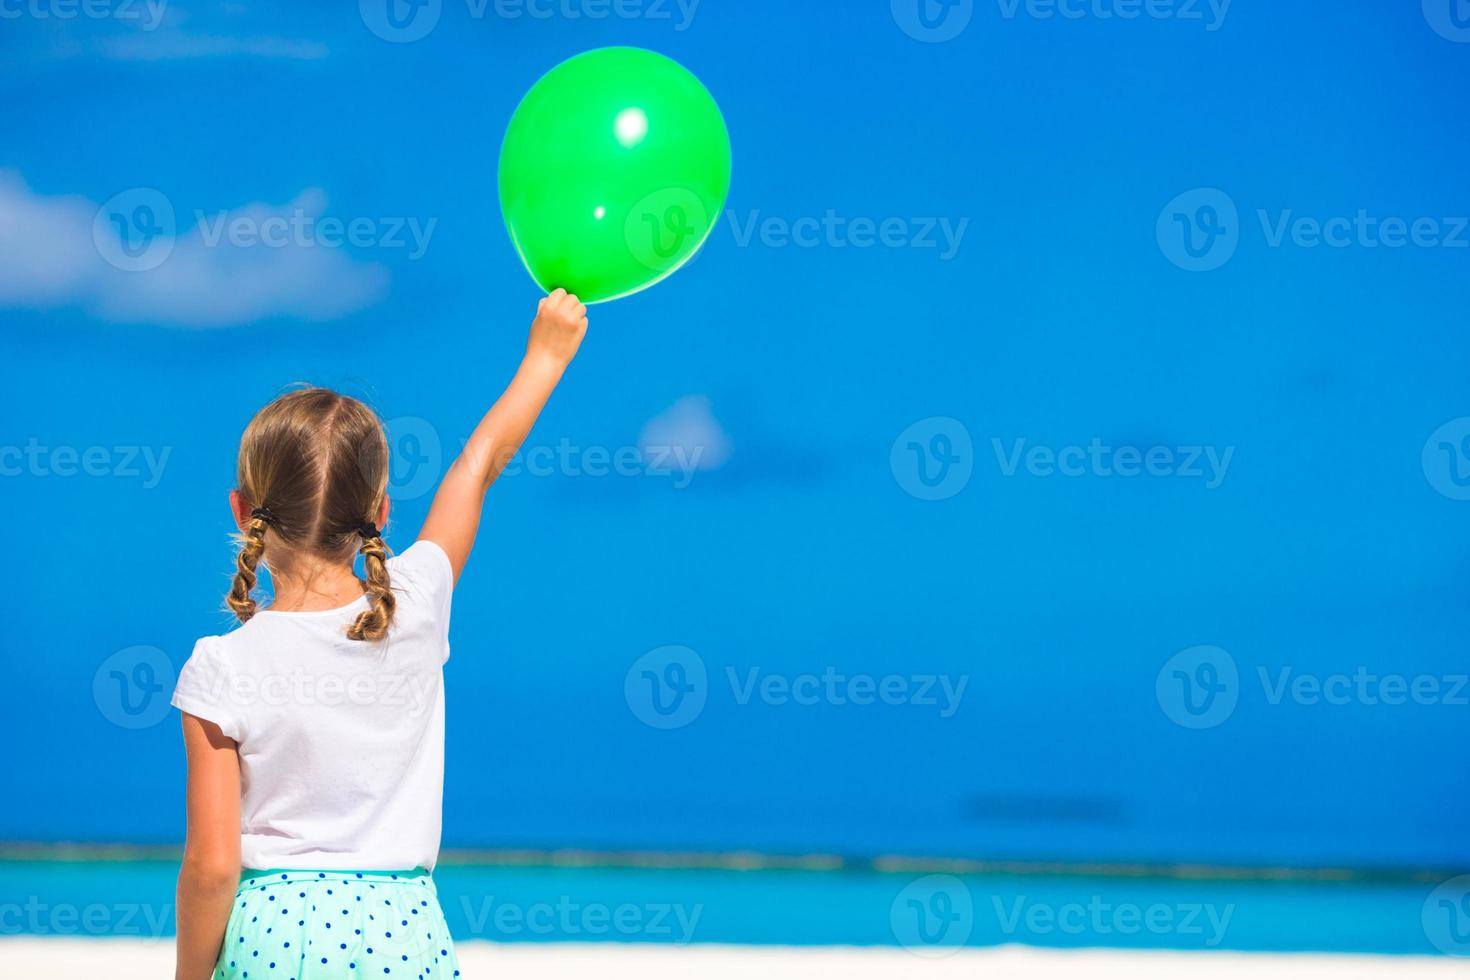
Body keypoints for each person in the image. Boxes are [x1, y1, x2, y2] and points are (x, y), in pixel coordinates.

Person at [170, 290, 589, 980]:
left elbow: (213, 868)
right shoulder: (418, 604)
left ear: (244, 511)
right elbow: (475, 469)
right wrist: (546, 355)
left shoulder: (221, 666)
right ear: (382, 513)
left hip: (273, 935)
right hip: (404, 931)